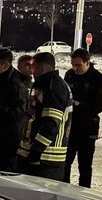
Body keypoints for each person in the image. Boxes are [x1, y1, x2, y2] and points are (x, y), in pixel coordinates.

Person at [16, 52, 73, 180]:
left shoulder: (53, 87)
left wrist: (35, 152)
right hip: (41, 158)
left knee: (37, 199)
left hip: (46, 160)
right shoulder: (47, 84)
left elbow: (51, 123)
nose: (31, 71)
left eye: (33, 67)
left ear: (42, 69)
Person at [63, 48, 102, 187]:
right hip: (70, 126)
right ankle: (63, 190)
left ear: (87, 62)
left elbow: (97, 107)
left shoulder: (98, 80)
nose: (75, 68)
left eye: (78, 65)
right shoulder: (69, 75)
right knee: (65, 162)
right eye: (73, 64)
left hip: (87, 127)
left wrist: (77, 103)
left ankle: (84, 193)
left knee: (85, 165)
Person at [0, 47, 30, 171]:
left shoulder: (16, 85)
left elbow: (18, 113)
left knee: (6, 173)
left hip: (8, 142)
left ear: (5, 66)